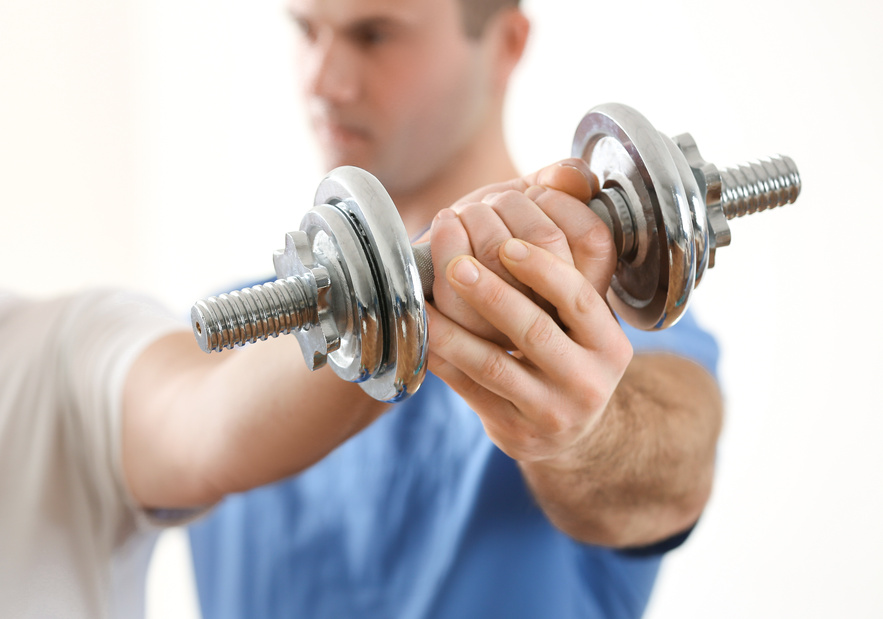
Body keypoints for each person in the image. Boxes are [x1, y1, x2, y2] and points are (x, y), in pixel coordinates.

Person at [188, 0, 723, 617]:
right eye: (307, 31)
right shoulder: (237, 347)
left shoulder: (604, 328)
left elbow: (670, 472)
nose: (322, 82)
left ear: (507, 44)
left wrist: (584, 426)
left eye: (374, 35)